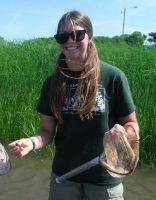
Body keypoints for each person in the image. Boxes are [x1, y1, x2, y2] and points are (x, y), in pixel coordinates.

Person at [9, 10, 139, 200]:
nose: (70, 41)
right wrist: (31, 143)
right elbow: (46, 131)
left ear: (90, 36)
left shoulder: (113, 77)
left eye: (78, 34)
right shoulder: (52, 83)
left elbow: (132, 125)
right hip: (64, 177)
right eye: (63, 36)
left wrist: (122, 133)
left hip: (105, 177)